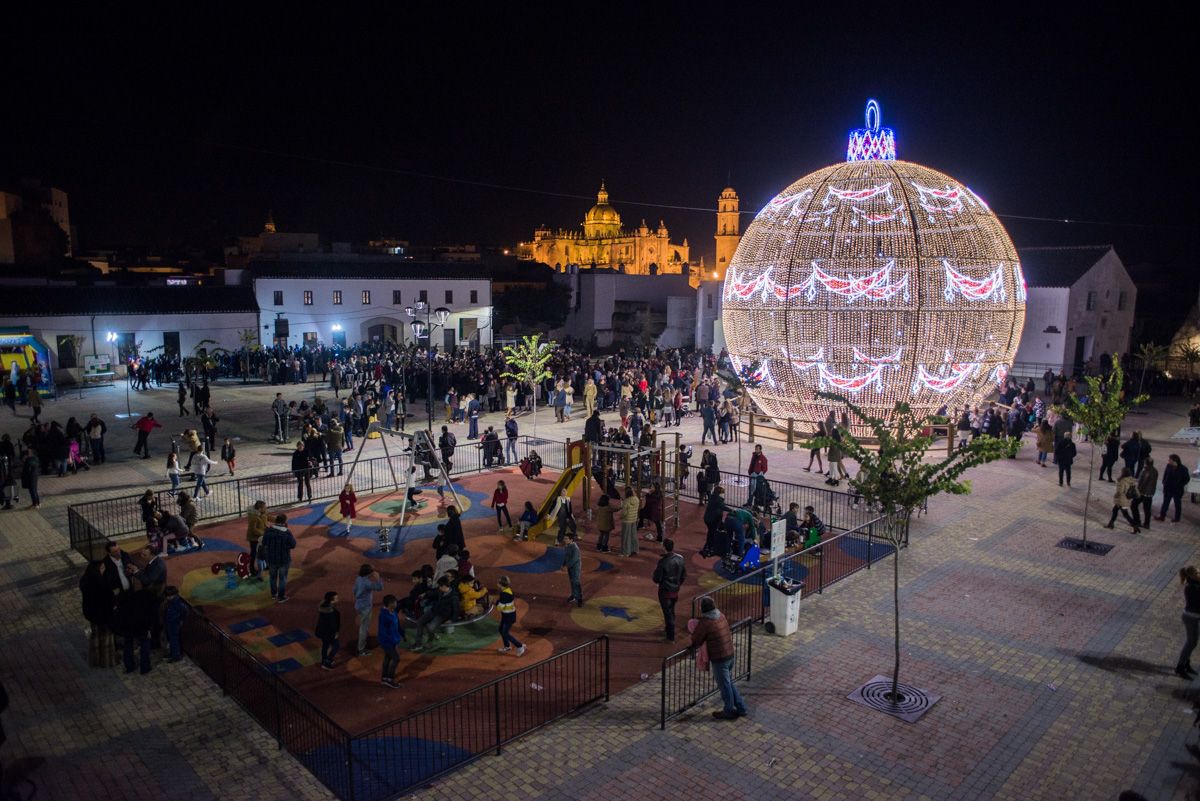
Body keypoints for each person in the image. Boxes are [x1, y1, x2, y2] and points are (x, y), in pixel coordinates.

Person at [689, 597, 746, 719]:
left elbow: (696, 639)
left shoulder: (706, 622)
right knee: (729, 683)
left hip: (720, 659)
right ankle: (741, 707)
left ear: (702, 609)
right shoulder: (721, 616)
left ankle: (728, 710)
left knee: (725, 686)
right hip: (730, 654)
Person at [79, 560, 117, 668]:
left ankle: (95, 659)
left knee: (95, 637)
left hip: (92, 614)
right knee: (106, 638)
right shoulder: (101, 584)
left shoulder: (85, 581)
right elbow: (109, 598)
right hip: (103, 615)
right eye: (102, 568)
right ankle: (106, 660)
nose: (103, 570)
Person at [653, 538, 686, 641]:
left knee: (668, 613)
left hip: (665, 590)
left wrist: (658, 581)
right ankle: (668, 629)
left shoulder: (663, 562)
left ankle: (670, 637)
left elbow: (657, 578)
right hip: (675, 590)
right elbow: (683, 575)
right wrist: (677, 584)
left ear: (664, 547)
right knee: (671, 611)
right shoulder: (680, 559)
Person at [410, 577, 456, 651]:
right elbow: (433, 592)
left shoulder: (454, 596)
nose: (439, 588)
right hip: (434, 610)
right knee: (419, 622)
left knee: (431, 628)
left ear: (444, 586)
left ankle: (430, 642)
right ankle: (418, 644)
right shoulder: (441, 591)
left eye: (440, 586)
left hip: (442, 615)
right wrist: (425, 594)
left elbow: (456, 609)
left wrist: (452, 619)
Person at [261, 514, 296, 603]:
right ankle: (281, 597)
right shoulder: (287, 532)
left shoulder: (268, 531)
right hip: (283, 559)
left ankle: (273, 594)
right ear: (284, 522)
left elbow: (264, 542)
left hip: (271, 559)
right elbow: (293, 544)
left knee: (272, 577)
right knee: (282, 578)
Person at [353, 564, 384, 656]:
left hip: (358, 605)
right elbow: (380, 588)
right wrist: (378, 578)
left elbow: (354, 590)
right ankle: (361, 649)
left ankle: (361, 646)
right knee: (363, 628)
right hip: (365, 607)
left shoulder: (358, 578)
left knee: (364, 626)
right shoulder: (367, 583)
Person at [1177, 566, 1200, 680]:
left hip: (1194, 617)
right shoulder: (1192, 587)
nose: (1198, 573)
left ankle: (1186, 663)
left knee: (1192, 642)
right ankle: (1180, 667)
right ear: (1190, 575)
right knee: (1191, 643)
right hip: (1191, 618)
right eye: (1196, 572)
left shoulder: (1195, 584)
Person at [377, 594, 404, 687]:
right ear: (390, 604)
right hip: (387, 642)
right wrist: (389, 641)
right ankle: (390, 679)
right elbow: (383, 631)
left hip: (392, 640)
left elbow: (397, 625)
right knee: (396, 658)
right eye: (394, 602)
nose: (396, 603)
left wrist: (402, 634)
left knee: (387, 658)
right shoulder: (384, 616)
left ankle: (384, 678)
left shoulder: (393, 612)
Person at [496, 575, 526, 656]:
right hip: (508, 615)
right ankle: (507, 646)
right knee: (501, 629)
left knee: (505, 633)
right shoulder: (507, 590)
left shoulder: (504, 594)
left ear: (500, 584)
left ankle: (519, 646)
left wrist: (496, 603)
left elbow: (500, 607)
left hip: (508, 616)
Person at [1104, 467, 1141, 533]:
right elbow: (1136, 490)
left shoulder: (1122, 481)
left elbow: (1120, 491)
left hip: (1121, 500)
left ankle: (1135, 526)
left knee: (1125, 514)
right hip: (1126, 499)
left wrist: (1116, 495)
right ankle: (1111, 524)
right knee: (1115, 510)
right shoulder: (1131, 480)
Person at [1157, 454, 1191, 523]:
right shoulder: (1168, 466)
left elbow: (1187, 479)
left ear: (1174, 461)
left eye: (1170, 460)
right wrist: (1164, 482)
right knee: (1165, 503)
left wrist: (1180, 485)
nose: (1168, 461)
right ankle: (1162, 516)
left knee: (1177, 504)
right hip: (1168, 488)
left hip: (1177, 490)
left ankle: (1177, 518)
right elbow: (1165, 475)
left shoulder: (1183, 469)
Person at [315, 591, 341, 670]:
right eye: (336, 598)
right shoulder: (331, 612)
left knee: (325, 645)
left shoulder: (324, 607)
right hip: (329, 632)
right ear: (331, 600)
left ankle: (324, 660)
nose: (338, 599)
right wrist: (336, 633)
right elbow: (333, 624)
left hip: (322, 631)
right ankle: (327, 662)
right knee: (336, 646)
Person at [162, 586, 187, 662]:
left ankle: (176, 656)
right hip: (170, 623)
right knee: (172, 640)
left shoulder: (177, 603)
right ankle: (173, 653)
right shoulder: (172, 602)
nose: (167, 597)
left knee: (174, 640)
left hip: (174, 624)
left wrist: (180, 620)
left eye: (169, 596)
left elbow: (184, 611)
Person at [246, 500, 268, 580]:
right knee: (254, 554)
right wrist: (263, 533)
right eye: (264, 507)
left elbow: (268, 517)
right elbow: (253, 529)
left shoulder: (262, 513)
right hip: (254, 538)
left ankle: (265, 565)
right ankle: (252, 569)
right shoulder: (254, 517)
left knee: (263, 551)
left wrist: (279, 520)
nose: (266, 508)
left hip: (260, 537)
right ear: (260, 508)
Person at [1134, 457, 1158, 529]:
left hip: (1143, 492)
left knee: (1133, 505)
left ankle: (1137, 521)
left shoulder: (1146, 470)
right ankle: (1147, 524)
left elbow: (1143, 482)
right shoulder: (1155, 470)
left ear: (1146, 463)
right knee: (1147, 509)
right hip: (1150, 493)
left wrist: (1138, 490)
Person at [563, 531, 583, 607]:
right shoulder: (567, 546)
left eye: (566, 539)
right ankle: (573, 595)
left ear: (571, 540)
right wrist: (563, 564)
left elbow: (574, 559)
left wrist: (566, 566)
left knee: (576, 582)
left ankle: (579, 598)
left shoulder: (575, 548)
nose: (564, 540)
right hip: (570, 566)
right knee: (572, 581)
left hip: (575, 568)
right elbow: (566, 556)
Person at [619, 487, 640, 556]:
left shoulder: (626, 501)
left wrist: (620, 516)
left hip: (627, 520)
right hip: (634, 519)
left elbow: (624, 513)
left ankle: (626, 552)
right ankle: (635, 549)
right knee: (633, 535)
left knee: (626, 537)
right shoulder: (637, 499)